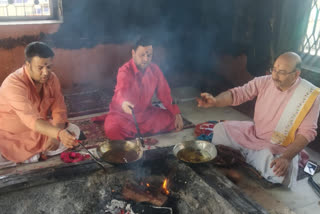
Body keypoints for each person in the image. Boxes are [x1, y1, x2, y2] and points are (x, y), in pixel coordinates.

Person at [198, 52, 320, 188]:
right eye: (274, 69)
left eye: (282, 72)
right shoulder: (264, 81)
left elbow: (307, 132)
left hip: (279, 147)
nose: (275, 75)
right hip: (254, 134)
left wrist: (286, 157)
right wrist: (216, 101)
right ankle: (250, 155)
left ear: (296, 74)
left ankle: (247, 154)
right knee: (219, 130)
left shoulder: (310, 96)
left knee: (278, 174)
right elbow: (238, 94)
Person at [0, 41, 79, 164]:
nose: (46, 72)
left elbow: (59, 110)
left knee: (73, 131)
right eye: (40, 68)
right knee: (5, 150)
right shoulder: (13, 84)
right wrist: (58, 134)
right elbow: (31, 119)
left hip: (39, 131)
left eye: (49, 67)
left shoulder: (52, 79)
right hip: (11, 135)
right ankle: (30, 156)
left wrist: (55, 136)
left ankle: (33, 155)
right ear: (27, 64)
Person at [102, 37, 184, 140]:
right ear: (133, 53)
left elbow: (165, 93)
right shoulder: (124, 71)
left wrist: (176, 112)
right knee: (112, 130)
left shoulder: (155, 70)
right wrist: (123, 103)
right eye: (142, 55)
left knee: (173, 119)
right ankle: (134, 131)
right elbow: (120, 92)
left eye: (149, 55)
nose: (146, 59)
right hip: (123, 116)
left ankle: (136, 132)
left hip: (146, 114)